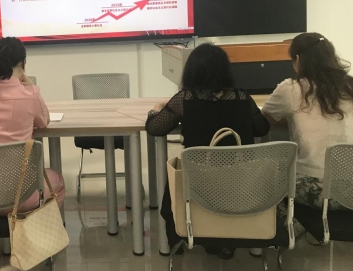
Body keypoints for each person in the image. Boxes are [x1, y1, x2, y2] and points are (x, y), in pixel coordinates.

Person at [145, 43, 270, 258]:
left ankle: (179, 242)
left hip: (198, 179)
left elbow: (155, 129)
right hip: (240, 180)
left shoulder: (185, 99)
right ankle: (229, 240)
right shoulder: (242, 97)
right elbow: (263, 128)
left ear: (191, 72)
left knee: (172, 190)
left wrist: (155, 109)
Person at [0, 37, 66, 271]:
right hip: (22, 197)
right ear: (22, 63)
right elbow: (44, 121)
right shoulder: (28, 94)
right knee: (57, 181)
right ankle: (31, 250)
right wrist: (30, 85)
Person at [262, 33, 353, 211]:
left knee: (271, 177)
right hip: (350, 191)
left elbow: (266, 118)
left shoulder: (291, 89)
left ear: (297, 59)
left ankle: (288, 227)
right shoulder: (350, 86)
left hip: (317, 189)